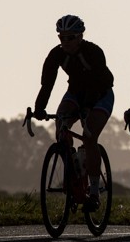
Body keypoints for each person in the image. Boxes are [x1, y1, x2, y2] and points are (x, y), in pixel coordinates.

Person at [33, 14, 115, 211]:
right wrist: (39, 108)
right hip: (75, 92)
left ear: (80, 37)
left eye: (70, 37)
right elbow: (47, 84)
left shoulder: (93, 52)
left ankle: (94, 192)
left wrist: (87, 108)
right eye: (62, 37)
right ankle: (73, 176)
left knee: (89, 137)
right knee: (61, 126)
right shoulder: (56, 55)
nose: (65, 42)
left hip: (100, 94)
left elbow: (99, 82)